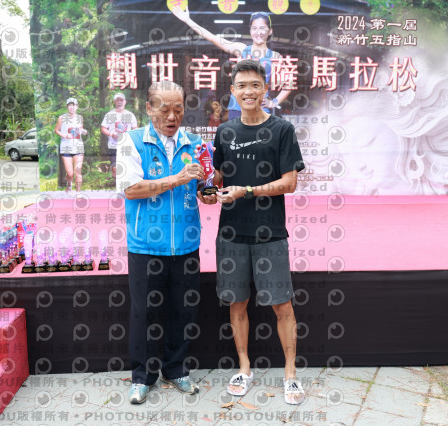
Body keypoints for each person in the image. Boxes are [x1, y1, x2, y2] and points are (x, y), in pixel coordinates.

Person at [115, 81, 215, 404]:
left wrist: (208, 192)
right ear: (148, 108)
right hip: (145, 245)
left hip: (186, 244)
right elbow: (131, 189)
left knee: (183, 311)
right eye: (164, 109)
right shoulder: (132, 141)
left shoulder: (195, 144)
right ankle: (141, 377)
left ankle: (176, 369)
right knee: (143, 313)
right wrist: (177, 178)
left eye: (178, 109)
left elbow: (203, 186)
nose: (172, 116)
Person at [212, 59, 306, 404]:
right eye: (242, 86)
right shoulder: (225, 132)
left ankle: (291, 374)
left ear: (265, 89)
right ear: (233, 91)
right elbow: (218, 178)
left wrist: (247, 191)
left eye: (255, 85)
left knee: (282, 305)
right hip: (231, 233)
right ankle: (244, 368)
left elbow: (290, 183)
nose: (248, 92)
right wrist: (208, 190)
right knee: (237, 304)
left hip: (271, 233)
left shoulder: (282, 130)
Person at [172, 7, 293, 119]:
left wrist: (274, 102)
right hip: (237, 109)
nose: (258, 32)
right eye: (254, 28)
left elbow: (289, 84)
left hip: (259, 110)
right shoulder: (242, 49)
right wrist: (188, 20)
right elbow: (213, 38)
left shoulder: (275, 57)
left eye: (262, 28)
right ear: (250, 30)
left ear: (270, 31)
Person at [100, 92, 138, 181]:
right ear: (114, 102)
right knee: (115, 169)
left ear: (125, 101)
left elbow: (135, 129)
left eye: (121, 100)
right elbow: (103, 128)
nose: (119, 102)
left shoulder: (130, 115)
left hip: (126, 146)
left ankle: (125, 187)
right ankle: (118, 184)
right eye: (117, 100)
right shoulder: (109, 115)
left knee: (127, 169)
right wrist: (111, 134)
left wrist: (132, 138)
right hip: (113, 146)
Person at [54, 98, 88, 192]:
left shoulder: (80, 118)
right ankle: (69, 184)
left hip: (78, 147)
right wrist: (65, 135)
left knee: (78, 171)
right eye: (70, 105)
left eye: (74, 105)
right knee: (70, 173)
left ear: (77, 106)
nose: (72, 107)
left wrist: (83, 131)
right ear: (67, 106)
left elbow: (80, 129)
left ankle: (78, 194)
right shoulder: (62, 118)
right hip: (66, 148)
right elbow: (56, 130)